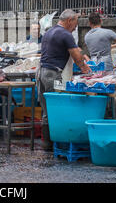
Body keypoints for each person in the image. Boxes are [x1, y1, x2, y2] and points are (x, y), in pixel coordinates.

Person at [36, 9, 90, 150]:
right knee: (56, 108)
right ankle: (57, 144)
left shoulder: (50, 31)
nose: (76, 27)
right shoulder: (66, 34)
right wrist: (85, 68)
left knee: (46, 109)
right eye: (75, 23)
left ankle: (47, 145)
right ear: (69, 20)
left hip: (41, 72)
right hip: (52, 74)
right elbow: (76, 56)